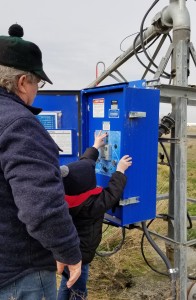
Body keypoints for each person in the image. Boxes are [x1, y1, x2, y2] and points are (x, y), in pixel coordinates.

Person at [0, 24, 82, 300]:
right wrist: (68, 251)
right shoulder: (20, 124)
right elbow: (41, 206)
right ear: (23, 81)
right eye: (38, 83)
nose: (37, 90)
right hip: (19, 273)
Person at [57, 131, 132, 300]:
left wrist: (96, 145)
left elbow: (85, 162)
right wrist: (120, 170)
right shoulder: (92, 204)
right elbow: (113, 193)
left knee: (66, 284)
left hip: (66, 251)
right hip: (81, 257)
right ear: (88, 184)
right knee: (78, 289)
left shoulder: (65, 198)